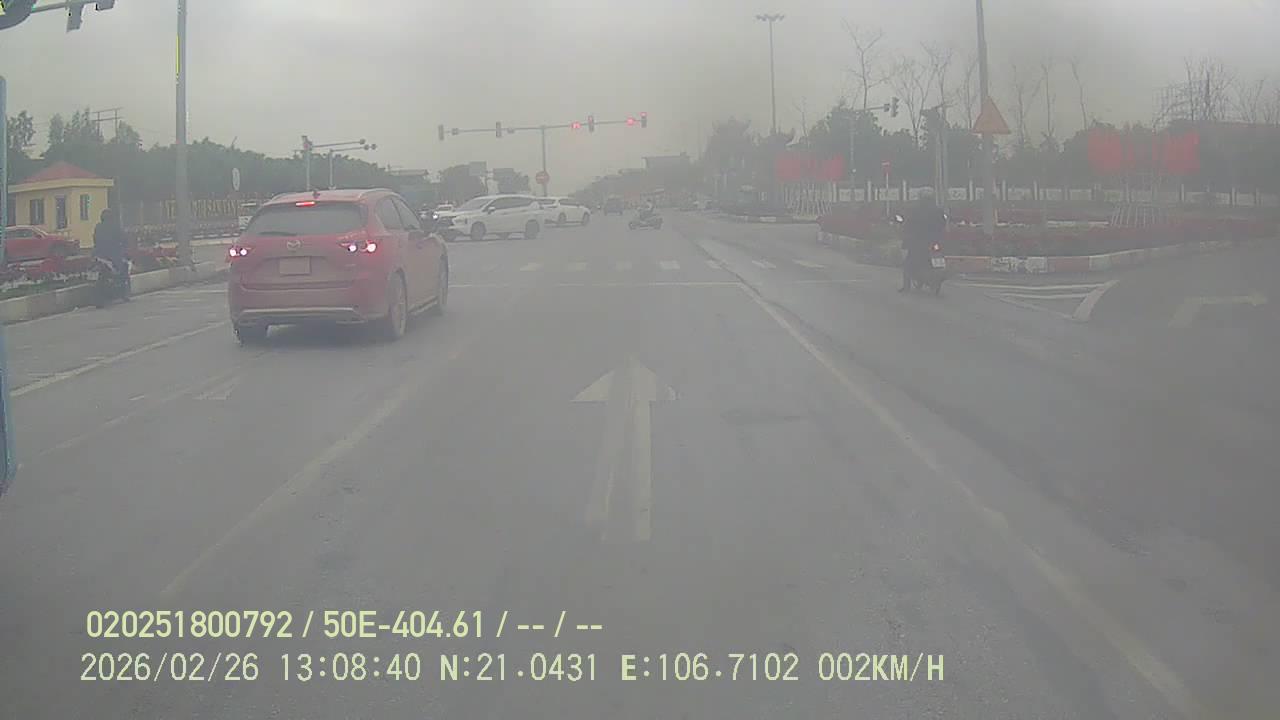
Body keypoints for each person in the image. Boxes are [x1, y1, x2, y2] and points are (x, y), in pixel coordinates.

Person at [899, 188, 946, 292]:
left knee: (907, 263)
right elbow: (943, 224)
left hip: (918, 241)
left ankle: (906, 287)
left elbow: (908, 225)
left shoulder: (914, 210)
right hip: (934, 240)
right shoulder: (938, 210)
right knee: (939, 254)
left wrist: (906, 237)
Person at [92, 208, 130, 300]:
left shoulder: (98, 226)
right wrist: (124, 246)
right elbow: (123, 238)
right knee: (123, 268)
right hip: (112, 254)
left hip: (98, 254)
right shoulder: (115, 227)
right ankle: (124, 293)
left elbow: (95, 239)